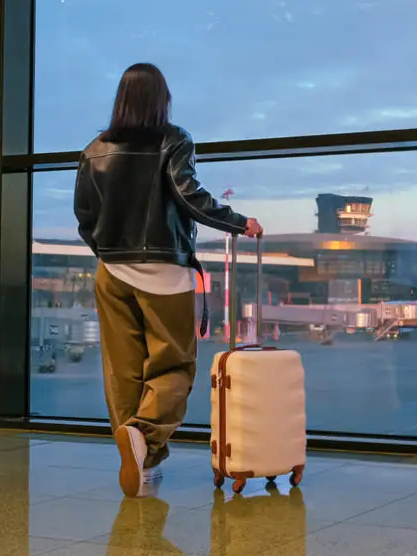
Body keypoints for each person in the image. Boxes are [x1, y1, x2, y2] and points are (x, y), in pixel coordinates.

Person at [74, 63, 262, 498]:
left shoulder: (93, 150)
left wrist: (107, 251)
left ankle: (141, 463)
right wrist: (238, 222)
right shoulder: (174, 140)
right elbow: (188, 196)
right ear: (162, 100)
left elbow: (84, 215)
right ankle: (144, 438)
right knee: (174, 365)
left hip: (111, 271)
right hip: (164, 272)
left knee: (122, 370)